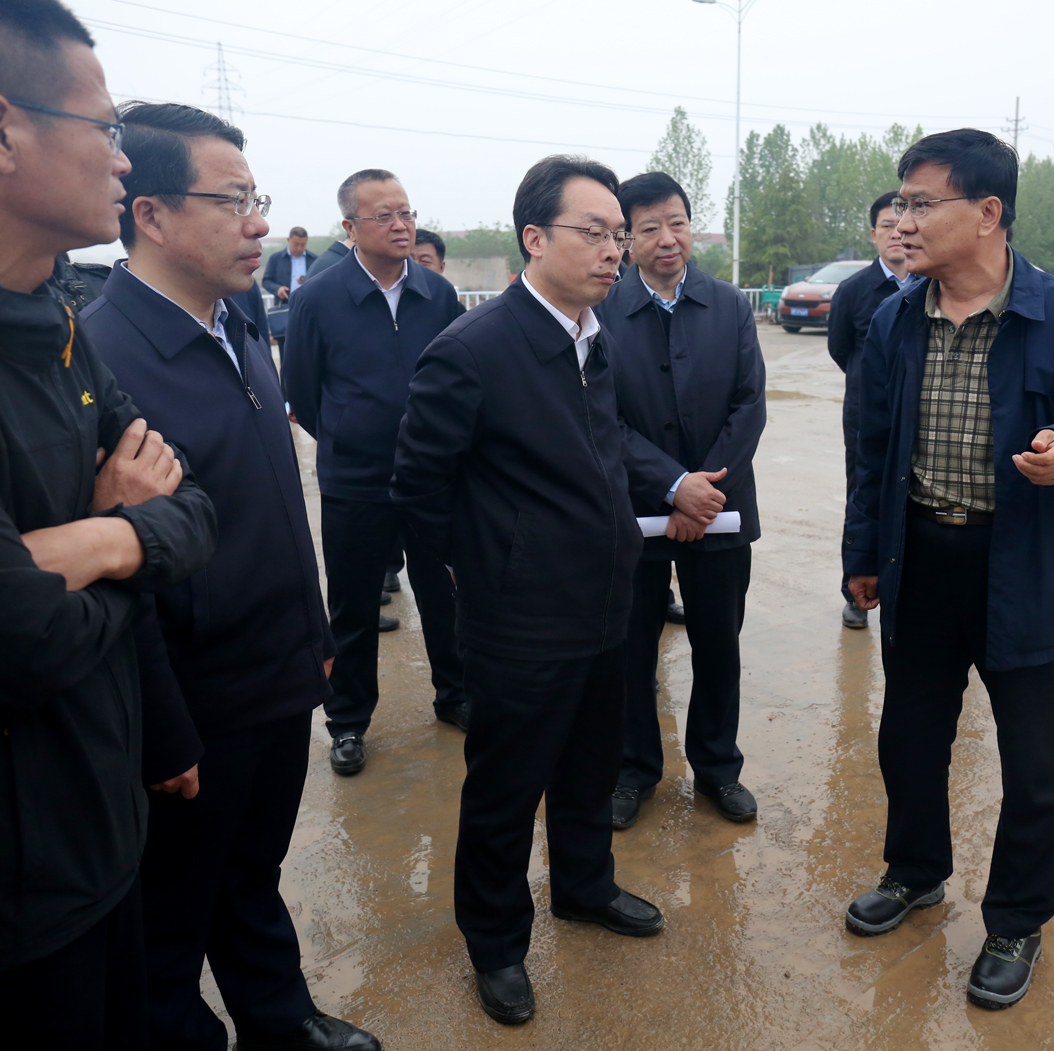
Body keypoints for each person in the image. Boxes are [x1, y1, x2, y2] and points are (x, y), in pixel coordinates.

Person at [83, 101, 380, 1051]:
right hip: (192, 703)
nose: (257, 223)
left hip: (274, 675)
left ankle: (280, 1019)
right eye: (231, 201)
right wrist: (163, 727)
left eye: (259, 200)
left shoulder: (237, 326)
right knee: (168, 914)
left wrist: (316, 639)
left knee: (251, 873)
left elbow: (275, 508)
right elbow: (115, 568)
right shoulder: (104, 356)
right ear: (150, 213)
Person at [842, 129, 1054, 1010]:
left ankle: (1016, 920)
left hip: (1028, 567)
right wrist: (862, 554)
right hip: (921, 558)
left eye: (921, 202)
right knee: (910, 738)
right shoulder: (895, 320)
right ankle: (915, 870)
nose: (902, 220)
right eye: (900, 202)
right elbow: (871, 451)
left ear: (986, 213)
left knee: (1033, 763)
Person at [392, 154, 666, 1027]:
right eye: (595, 232)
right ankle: (497, 939)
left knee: (590, 768)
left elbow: (604, 453)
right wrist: (485, 570)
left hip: (606, 604)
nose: (614, 250)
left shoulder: (594, 337)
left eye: (619, 235)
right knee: (506, 789)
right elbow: (419, 489)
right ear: (535, 238)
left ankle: (585, 886)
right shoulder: (472, 349)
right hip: (520, 620)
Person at [0, 4, 217, 1044]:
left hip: (102, 833)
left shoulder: (60, 330)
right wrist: (132, 547)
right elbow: (20, 639)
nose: (125, 161)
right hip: (18, 897)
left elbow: (194, 508)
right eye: (105, 128)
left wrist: (93, 541)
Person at [282, 168, 468, 776]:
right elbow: (303, 390)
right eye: (383, 215)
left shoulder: (437, 294)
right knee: (353, 607)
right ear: (350, 227)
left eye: (406, 213)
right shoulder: (317, 298)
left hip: (432, 478)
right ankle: (348, 721)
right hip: (355, 482)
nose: (400, 225)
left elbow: (458, 382)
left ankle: (455, 695)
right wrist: (348, 436)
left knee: (444, 595)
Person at [596, 171, 767, 832]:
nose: (667, 239)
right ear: (626, 239)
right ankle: (632, 768)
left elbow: (749, 404)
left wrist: (704, 492)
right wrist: (673, 485)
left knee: (719, 644)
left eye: (677, 223)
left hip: (720, 509)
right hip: (635, 511)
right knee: (630, 648)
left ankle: (718, 766)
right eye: (648, 228)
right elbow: (602, 417)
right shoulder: (602, 311)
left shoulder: (728, 305)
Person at [827, 189, 908, 630]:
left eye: (902, 223)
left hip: (919, 415)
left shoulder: (933, 285)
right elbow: (841, 349)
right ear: (874, 234)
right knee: (862, 498)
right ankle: (855, 593)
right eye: (887, 226)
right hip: (865, 419)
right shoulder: (854, 290)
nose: (896, 233)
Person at [261, 225, 316, 303]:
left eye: (303, 245)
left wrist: (307, 281)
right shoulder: (275, 258)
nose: (299, 248)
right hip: (284, 304)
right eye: (296, 244)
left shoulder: (314, 259)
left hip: (308, 304)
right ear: (288, 240)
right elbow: (266, 281)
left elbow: (320, 282)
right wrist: (277, 289)